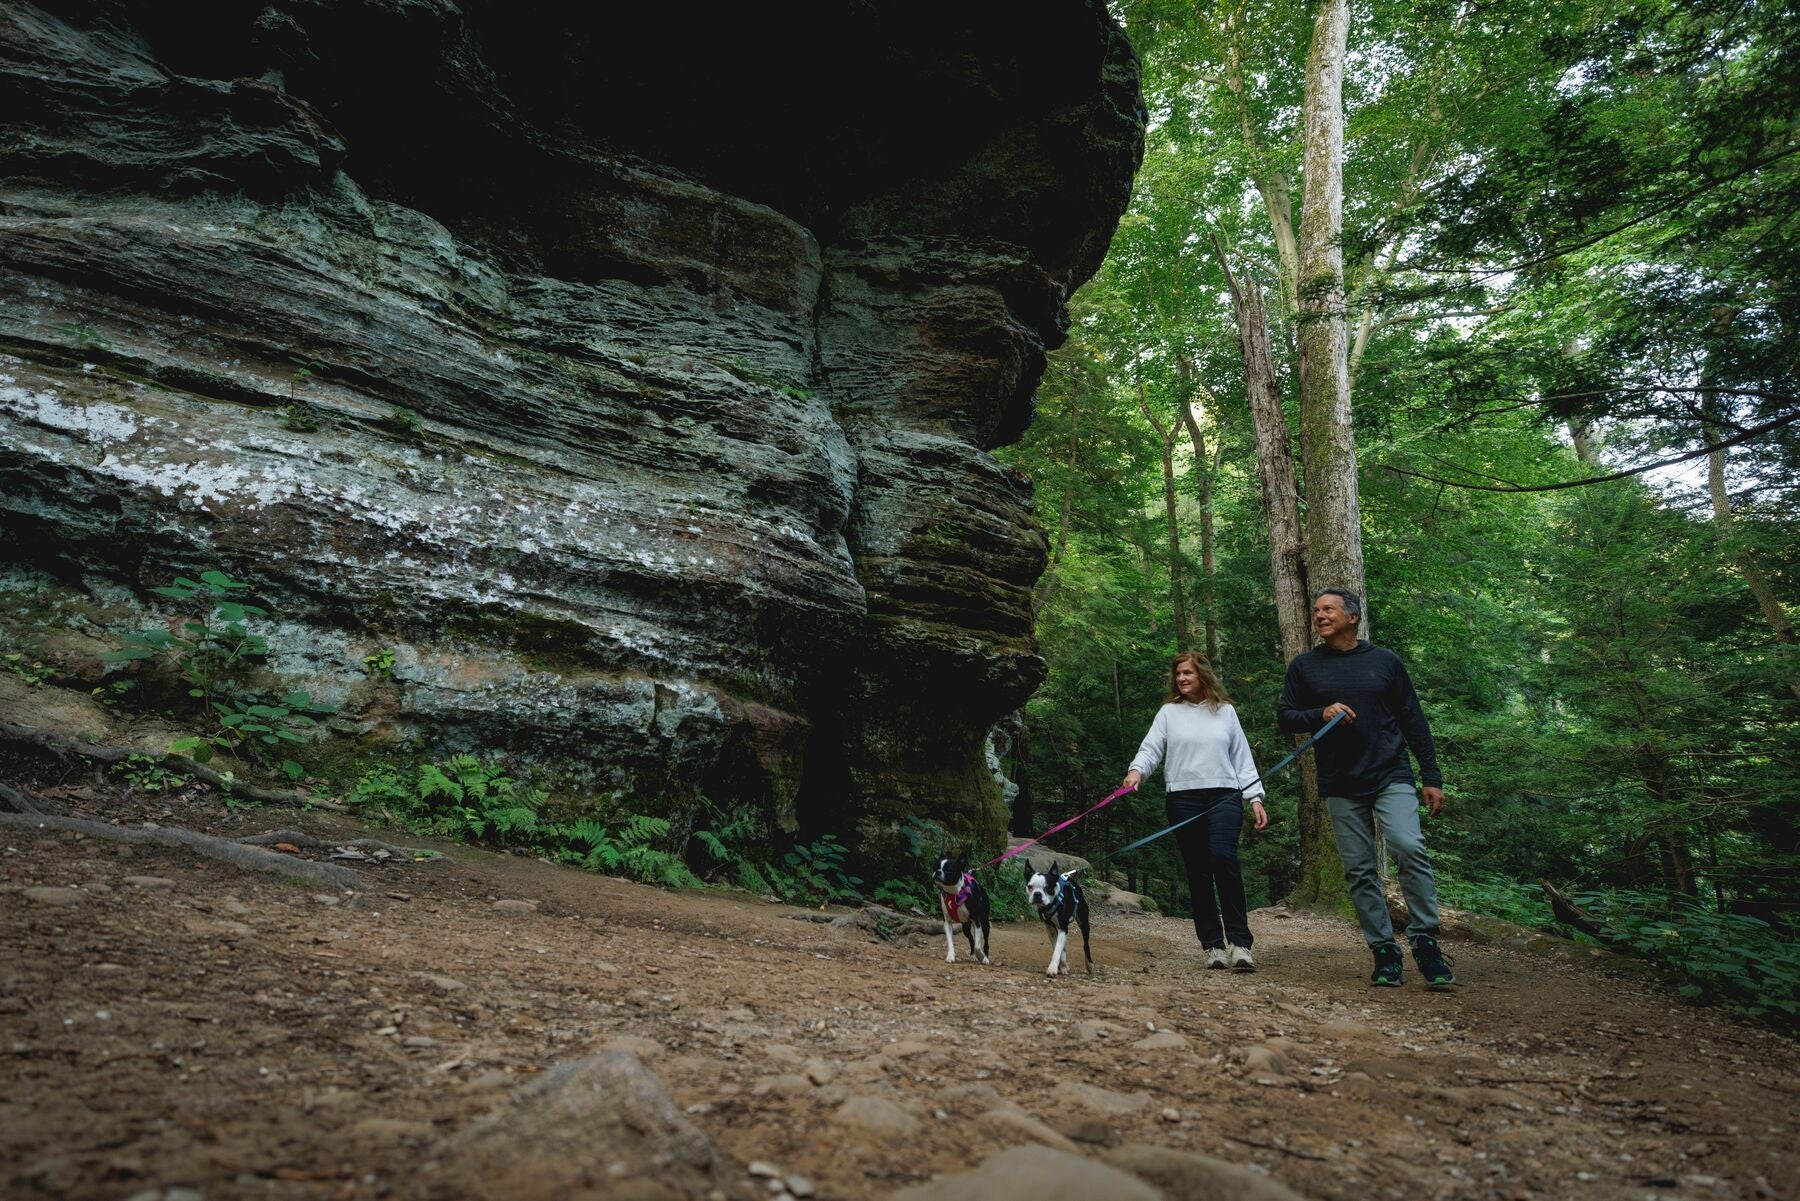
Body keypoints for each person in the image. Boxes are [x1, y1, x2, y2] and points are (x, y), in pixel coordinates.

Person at [1277, 587, 1457, 988]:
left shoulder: (1385, 661)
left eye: (1329, 609)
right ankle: (1384, 951)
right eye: (1316, 610)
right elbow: (1286, 716)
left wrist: (1431, 777)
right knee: (1359, 870)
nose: (1320, 615)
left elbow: (1413, 719)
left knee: (1409, 847)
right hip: (1340, 781)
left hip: (1390, 773)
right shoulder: (1305, 666)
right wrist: (1320, 712)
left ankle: (1425, 941)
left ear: (1353, 617)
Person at [1121, 652, 1267, 971]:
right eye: (1178, 674)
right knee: (1198, 870)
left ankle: (1240, 944)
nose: (1181, 678)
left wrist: (1255, 797)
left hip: (1224, 795)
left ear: (1203, 675)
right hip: (1183, 799)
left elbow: (1242, 758)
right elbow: (1151, 748)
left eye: (1187, 672)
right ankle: (1213, 946)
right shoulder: (1169, 713)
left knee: (1223, 858)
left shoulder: (1225, 712)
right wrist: (1136, 772)